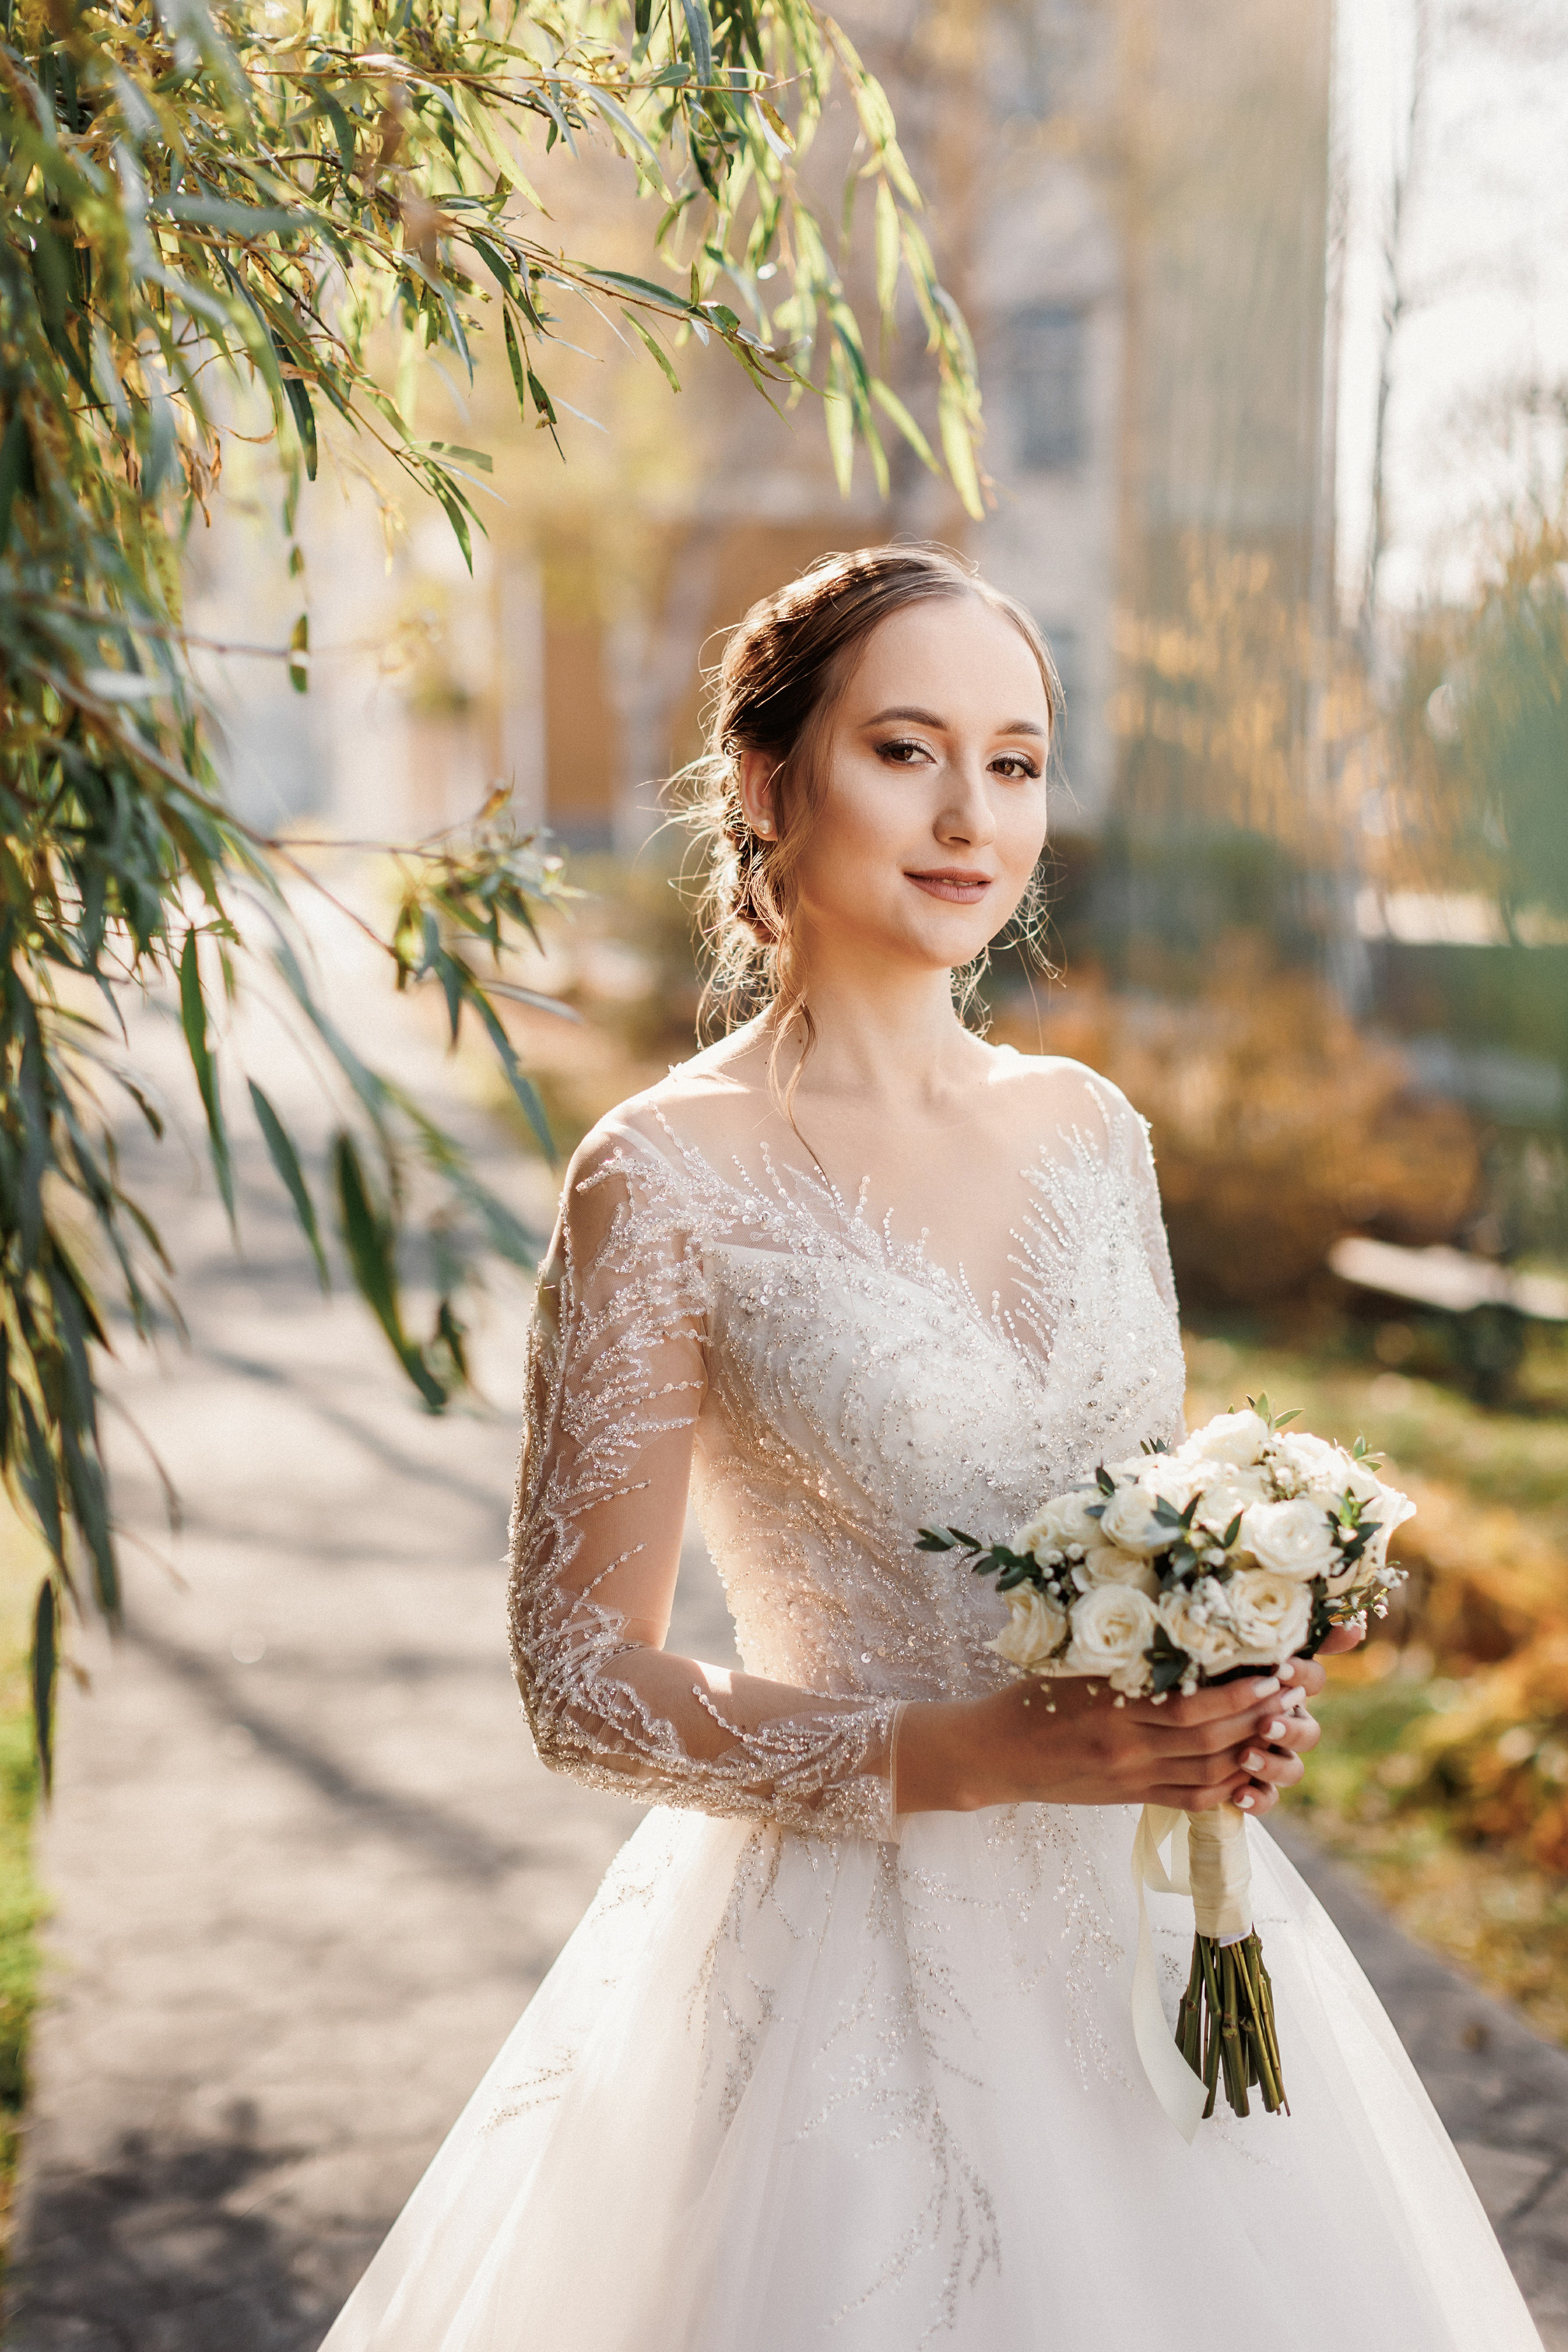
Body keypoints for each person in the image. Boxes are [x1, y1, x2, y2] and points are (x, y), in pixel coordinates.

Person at [321, 545, 1542, 2350]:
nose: (975, 814)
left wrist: (1229, 1674)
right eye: (907, 750)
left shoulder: (1094, 1129)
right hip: (842, 1986)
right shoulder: (660, 1179)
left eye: (1020, 759)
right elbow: (581, 1681)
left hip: (1157, 1930)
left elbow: (1134, 1518)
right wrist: (971, 1754)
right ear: (766, 781)